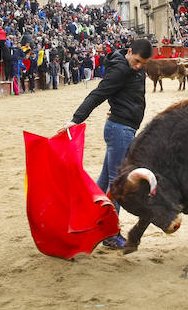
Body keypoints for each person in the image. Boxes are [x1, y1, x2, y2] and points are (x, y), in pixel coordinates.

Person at [65, 39, 152, 250]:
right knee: (117, 183)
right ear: (129, 52)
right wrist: (76, 119)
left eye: (143, 63)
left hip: (121, 128)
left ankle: (85, 219)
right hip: (120, 130)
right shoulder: (122, 69)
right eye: (138, 61)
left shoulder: (129, 66)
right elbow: (98, 94)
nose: (139, 66)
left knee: (105, 181)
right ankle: (110, 233)